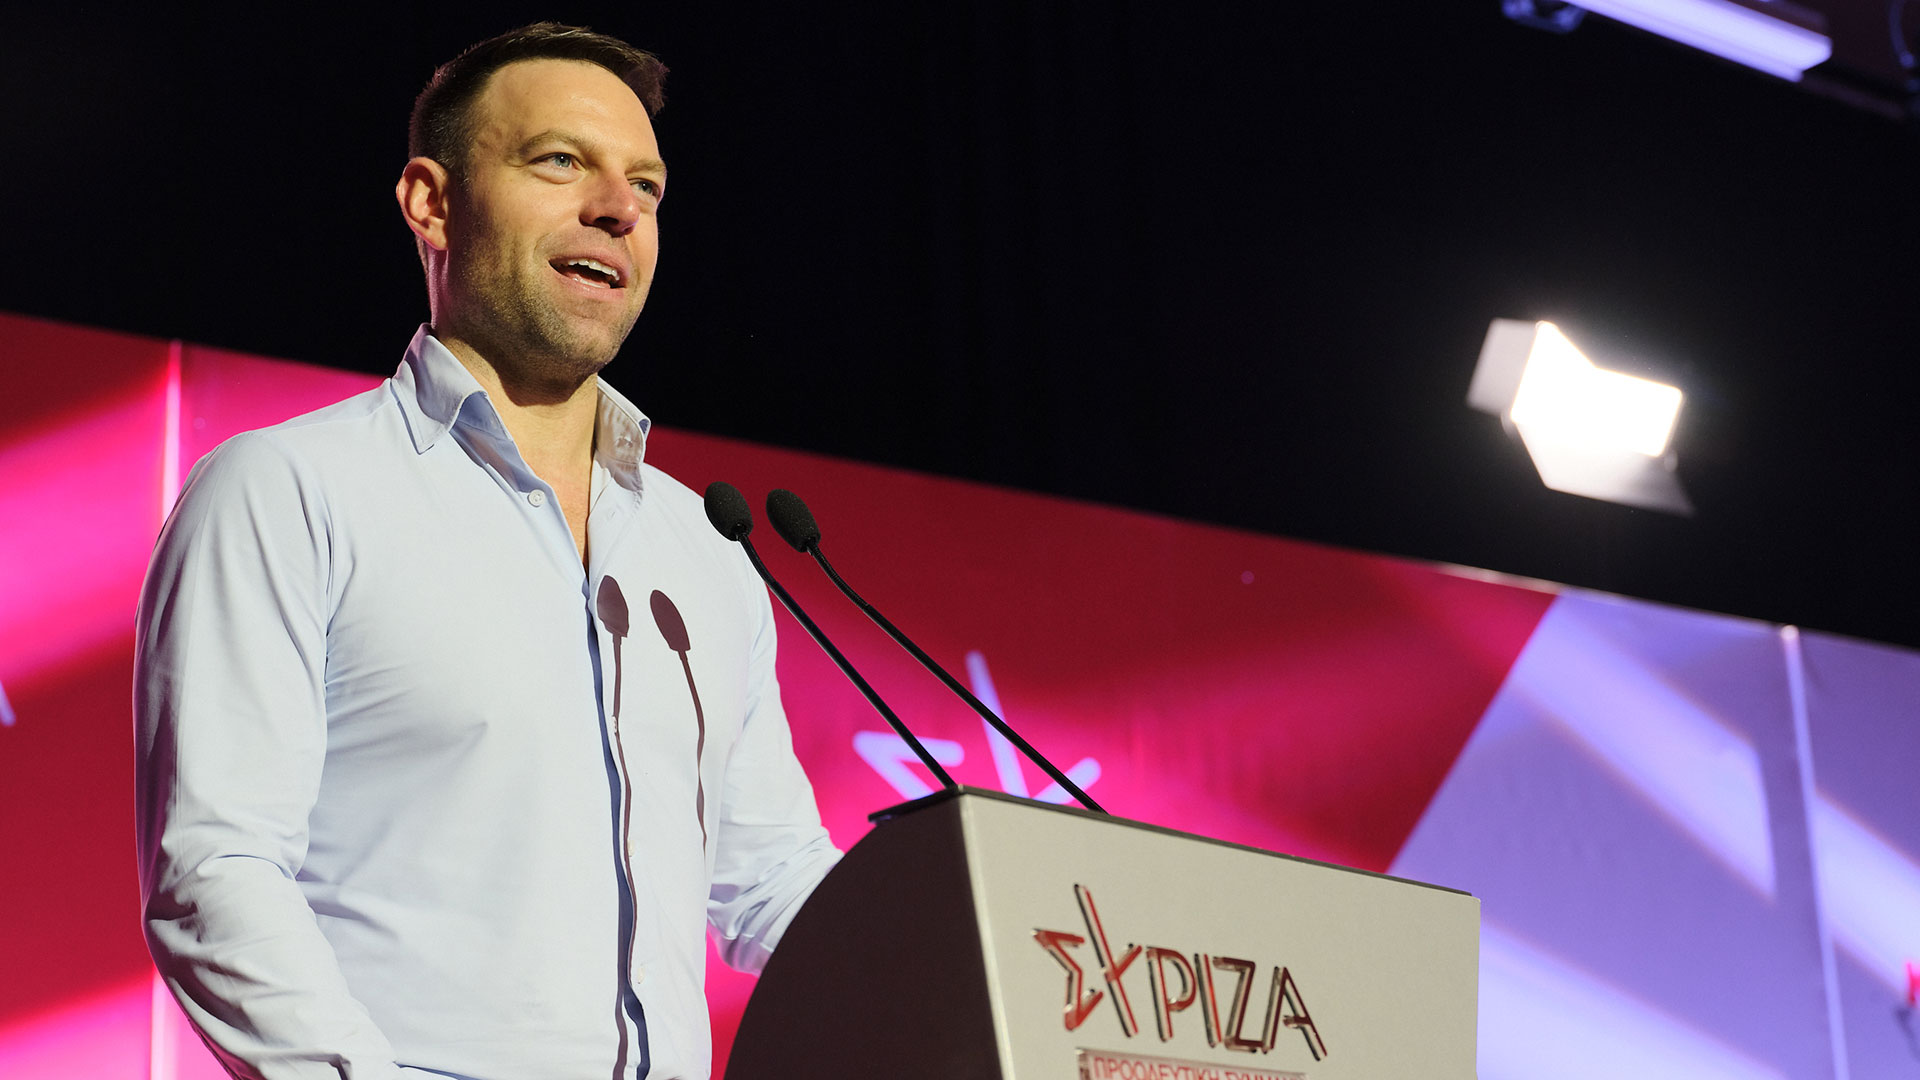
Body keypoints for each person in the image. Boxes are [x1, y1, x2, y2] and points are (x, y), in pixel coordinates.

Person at [133, 23, 840, 1080]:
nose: (619, 207)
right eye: (560, 161)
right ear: (431, 202)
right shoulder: (288, 492)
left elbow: (771, 881)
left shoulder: (705, 547)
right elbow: (214, 873)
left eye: (647, 185)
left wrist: (993, 947)